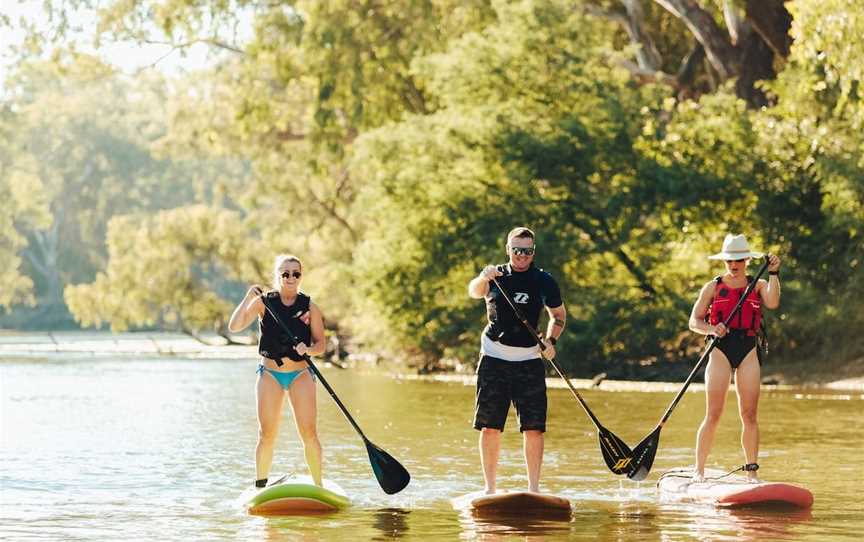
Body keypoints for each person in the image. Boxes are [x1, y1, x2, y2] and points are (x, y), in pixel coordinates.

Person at [467, 227, 566, 494]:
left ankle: (533, 489)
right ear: (508, 250)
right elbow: (475, 292)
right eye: (517, 250)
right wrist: (482, 276)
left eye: (527, 251)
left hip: (529, 361)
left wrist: (550, 341)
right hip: (494, 358)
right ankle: (490, 489)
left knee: (534, 429)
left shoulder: (544, 281)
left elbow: (558, 316)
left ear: (533, 252)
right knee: (490, 427)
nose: (522, 256)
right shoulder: (496, 276)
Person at [228, 254, 327, 488]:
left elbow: (321, 344)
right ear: (277, 276)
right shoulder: (264, 302)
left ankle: (318, 486)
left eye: (296, 273)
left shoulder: (310, 307)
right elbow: (234, 327)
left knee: (309, 434)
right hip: (269, 374)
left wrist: (309, 349)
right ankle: (260, 486)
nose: (290, 277)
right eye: (285, 273)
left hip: (301, 374)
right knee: (266, 435)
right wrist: (247, 298)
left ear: (301, 276)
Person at [688, 234, 781, 482]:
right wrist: (711, 329)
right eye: (730, 259)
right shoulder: (712, 286)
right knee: (713, 414)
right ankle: (699, 471)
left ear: (747, 260)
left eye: (739, 259)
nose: (734, 264)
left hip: (748, 349)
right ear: (725, 261)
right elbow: (694, 321)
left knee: (749, 415)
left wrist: (774, 272)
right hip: (720, 349)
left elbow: (772, 302)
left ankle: (752, 472)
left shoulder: (758, 285)